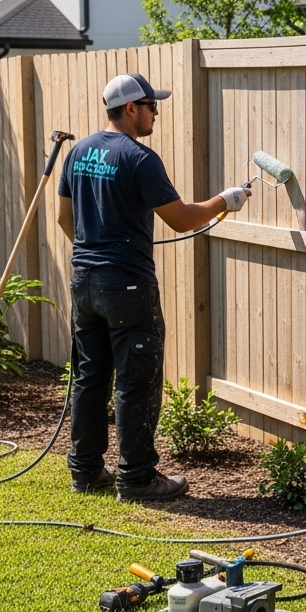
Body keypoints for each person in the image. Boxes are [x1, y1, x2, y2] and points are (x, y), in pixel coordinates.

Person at [56, 72, 251, 501]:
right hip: (127, 287)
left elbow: (64, 219)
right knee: (136, 382)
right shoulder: (139, 158)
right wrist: (227, 200)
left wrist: (95, 253)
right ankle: (137, 479)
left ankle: (85, 472)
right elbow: (181, 219)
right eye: (151, 106)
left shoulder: (79, 152)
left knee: (90, 377)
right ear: (131, 108)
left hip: (85, 281)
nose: (156, 113)